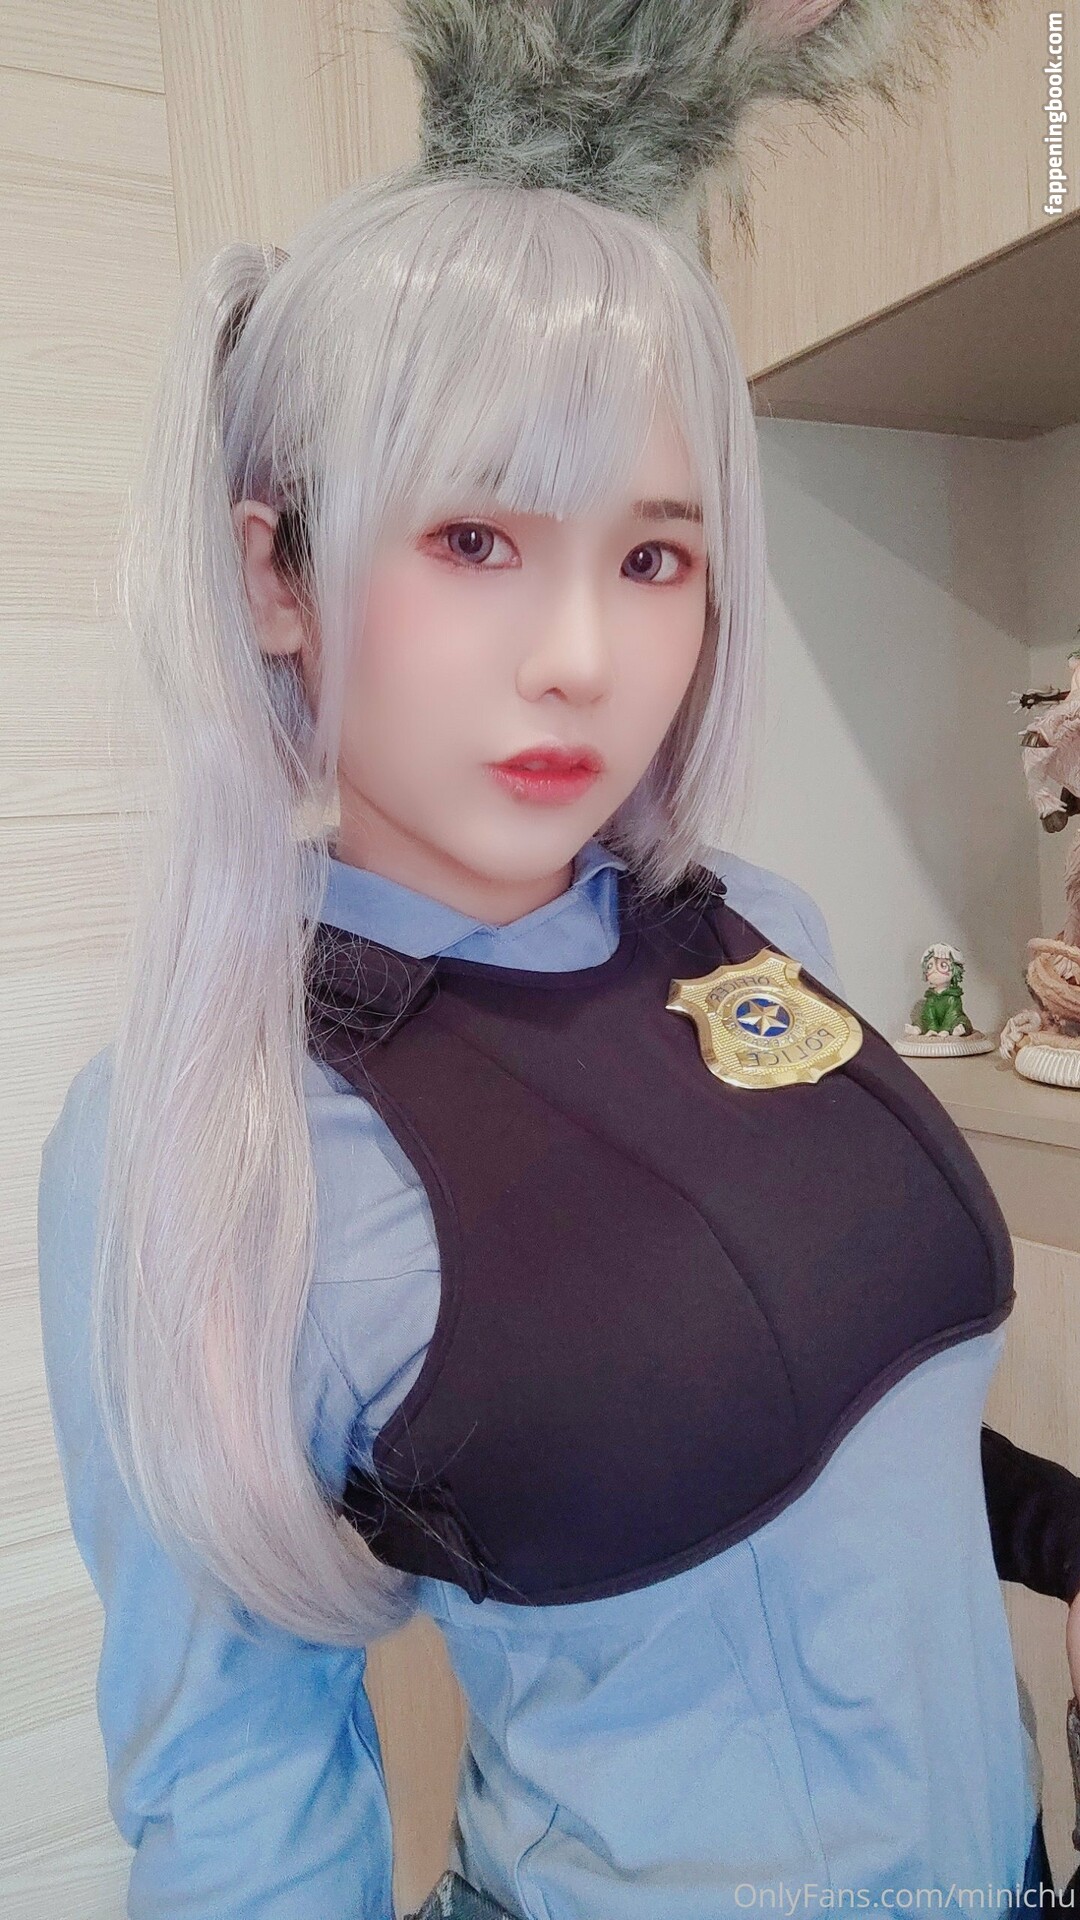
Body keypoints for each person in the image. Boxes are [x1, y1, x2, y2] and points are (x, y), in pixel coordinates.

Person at [35, 3, 1080, 1915]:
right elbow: (239, 1805)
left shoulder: (760, 928)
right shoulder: (213, 1133)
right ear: (275, 574)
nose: (582, 659)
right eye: (473, 539)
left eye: (653, 557)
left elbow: (838, 1394)